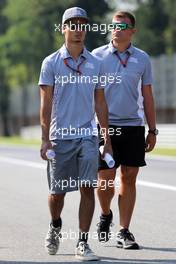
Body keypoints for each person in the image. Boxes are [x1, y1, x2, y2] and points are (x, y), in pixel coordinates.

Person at [39, 7, 111, 261]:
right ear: (63, 28)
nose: (78, 30)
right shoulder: (51, 63)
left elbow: (100, 103)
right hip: (59, 138)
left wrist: (107, 140)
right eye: (73, 24)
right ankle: (55, 225)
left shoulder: (96, 63)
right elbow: (45, 104)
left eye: (82, 25)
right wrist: (45, 138)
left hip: (87, 136)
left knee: (87, 188)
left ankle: (82, 242)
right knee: (57, 193)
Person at [92, 11, 158, 249]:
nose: (117, 28)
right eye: (114, 24)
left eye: (123, 25)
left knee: (128, 178)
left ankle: (124, 230)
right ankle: (105, 213)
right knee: (105, 180)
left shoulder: (142, 59)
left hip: (132, 126)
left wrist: (152, 130)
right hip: (104, 127)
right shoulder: (96, 57)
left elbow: (148, 96)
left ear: (133, 30)